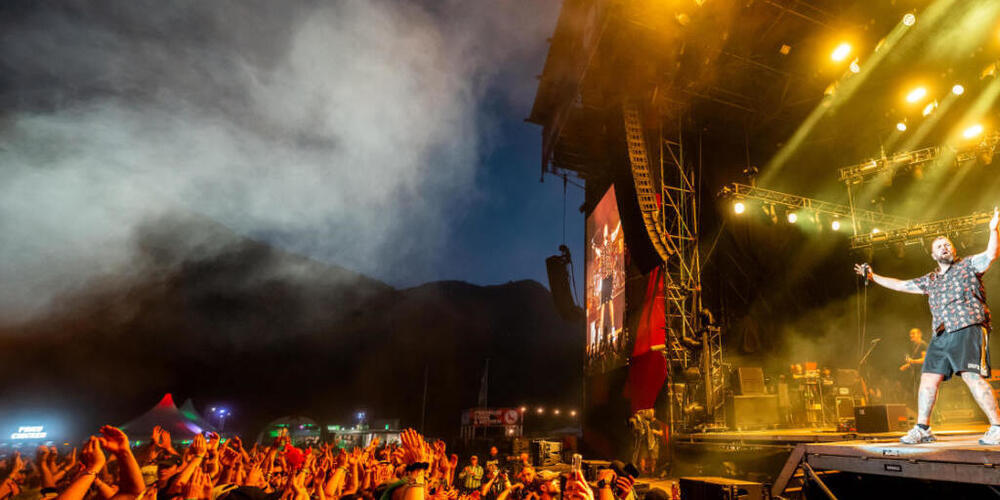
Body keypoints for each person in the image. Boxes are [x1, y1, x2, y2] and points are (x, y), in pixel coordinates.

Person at [855, 207, 1000, 445]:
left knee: (971, 376)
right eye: (939, 246)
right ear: (933, 255)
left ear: (953, 249)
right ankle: (923, 428)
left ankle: (997, 427)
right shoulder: (930, 279)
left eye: (947, 244)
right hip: (941, 334)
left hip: (967, 326)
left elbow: (991, 254)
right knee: (928, 379)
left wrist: (993, 230)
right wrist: (873, 277)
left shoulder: (967, 265)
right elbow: (901, 284)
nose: (944, 247)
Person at [900, 328, 928, 402]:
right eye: (910, 334)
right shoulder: (915, 346)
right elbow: (915, 361)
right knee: (914, 393)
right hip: (917, 373)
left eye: (913, 333)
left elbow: (924, 360)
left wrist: (912, 361)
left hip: (923, 373)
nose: (911, 335)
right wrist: (907, 365)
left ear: (919, 334)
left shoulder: (923, 345)